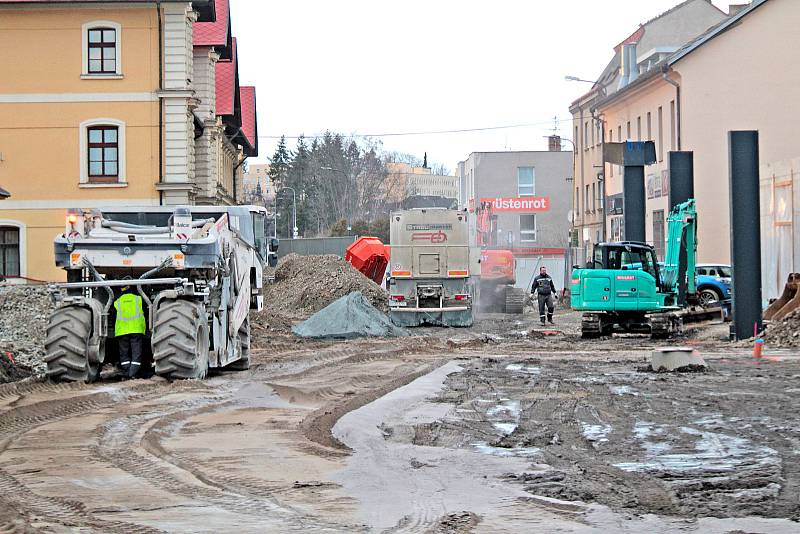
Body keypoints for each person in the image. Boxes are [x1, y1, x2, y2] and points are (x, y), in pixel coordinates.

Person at [114, 284, 146, 379]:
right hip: (136, 329)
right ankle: (132, 373)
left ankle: (127, 371)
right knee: (136, 352)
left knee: (124, 353)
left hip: (122, 331)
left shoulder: (117, 302)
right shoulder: (138, 299)